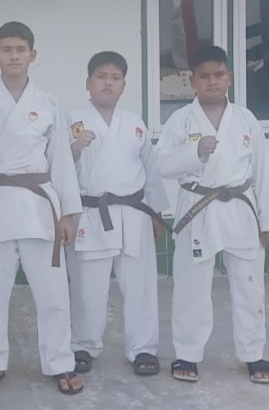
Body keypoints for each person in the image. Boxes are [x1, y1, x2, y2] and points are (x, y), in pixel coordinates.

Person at [0, 21, 84, 395]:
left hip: (40, 204)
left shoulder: (48, 103)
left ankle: (60, 362)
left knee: (53, 292)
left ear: (32, 55)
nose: (13, 56)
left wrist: (68, 213)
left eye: (20, 50)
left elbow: (61, 161)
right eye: (6, 50)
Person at [156, 46, 269, 384]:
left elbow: (263, 170)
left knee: (250, 285)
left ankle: (253, 354)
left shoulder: (245, 119)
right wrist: (193, 152)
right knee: (191, 286)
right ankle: (188, 353)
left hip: (241, 207)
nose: (212, 81)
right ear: (192, 80)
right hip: (198, 207)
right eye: (205, 76)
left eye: (219, 75)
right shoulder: (181, 120)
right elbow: (162, 164)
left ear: (230, 77)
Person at [65, 51, 169, 376]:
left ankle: (143, 348)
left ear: (123, 85)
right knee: (87, 286)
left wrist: (156, 211)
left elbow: (150, 169)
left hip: (134, 213)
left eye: (115, 78)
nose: (108, 83)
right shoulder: (73, 120)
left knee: (140, 284)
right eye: (101, 77)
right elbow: (58, 168)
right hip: (90, 212)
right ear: (88, 83)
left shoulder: (135, 123)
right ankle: (83, 345)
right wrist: (76, 147)